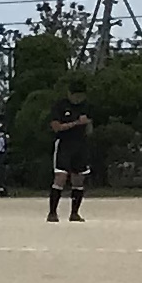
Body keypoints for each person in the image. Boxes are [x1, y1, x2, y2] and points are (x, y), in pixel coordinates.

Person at [47, 91, 92, 221]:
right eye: (76, 95)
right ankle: (52, 213)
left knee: (78, 179)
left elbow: (89, 128)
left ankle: (74, 213)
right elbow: (56, 127)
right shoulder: (60, 106)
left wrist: (88, 124)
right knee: (60, 177)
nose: (78, 99)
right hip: (64, 144)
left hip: (81, 145)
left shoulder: (86, 107)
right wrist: (76, 123)